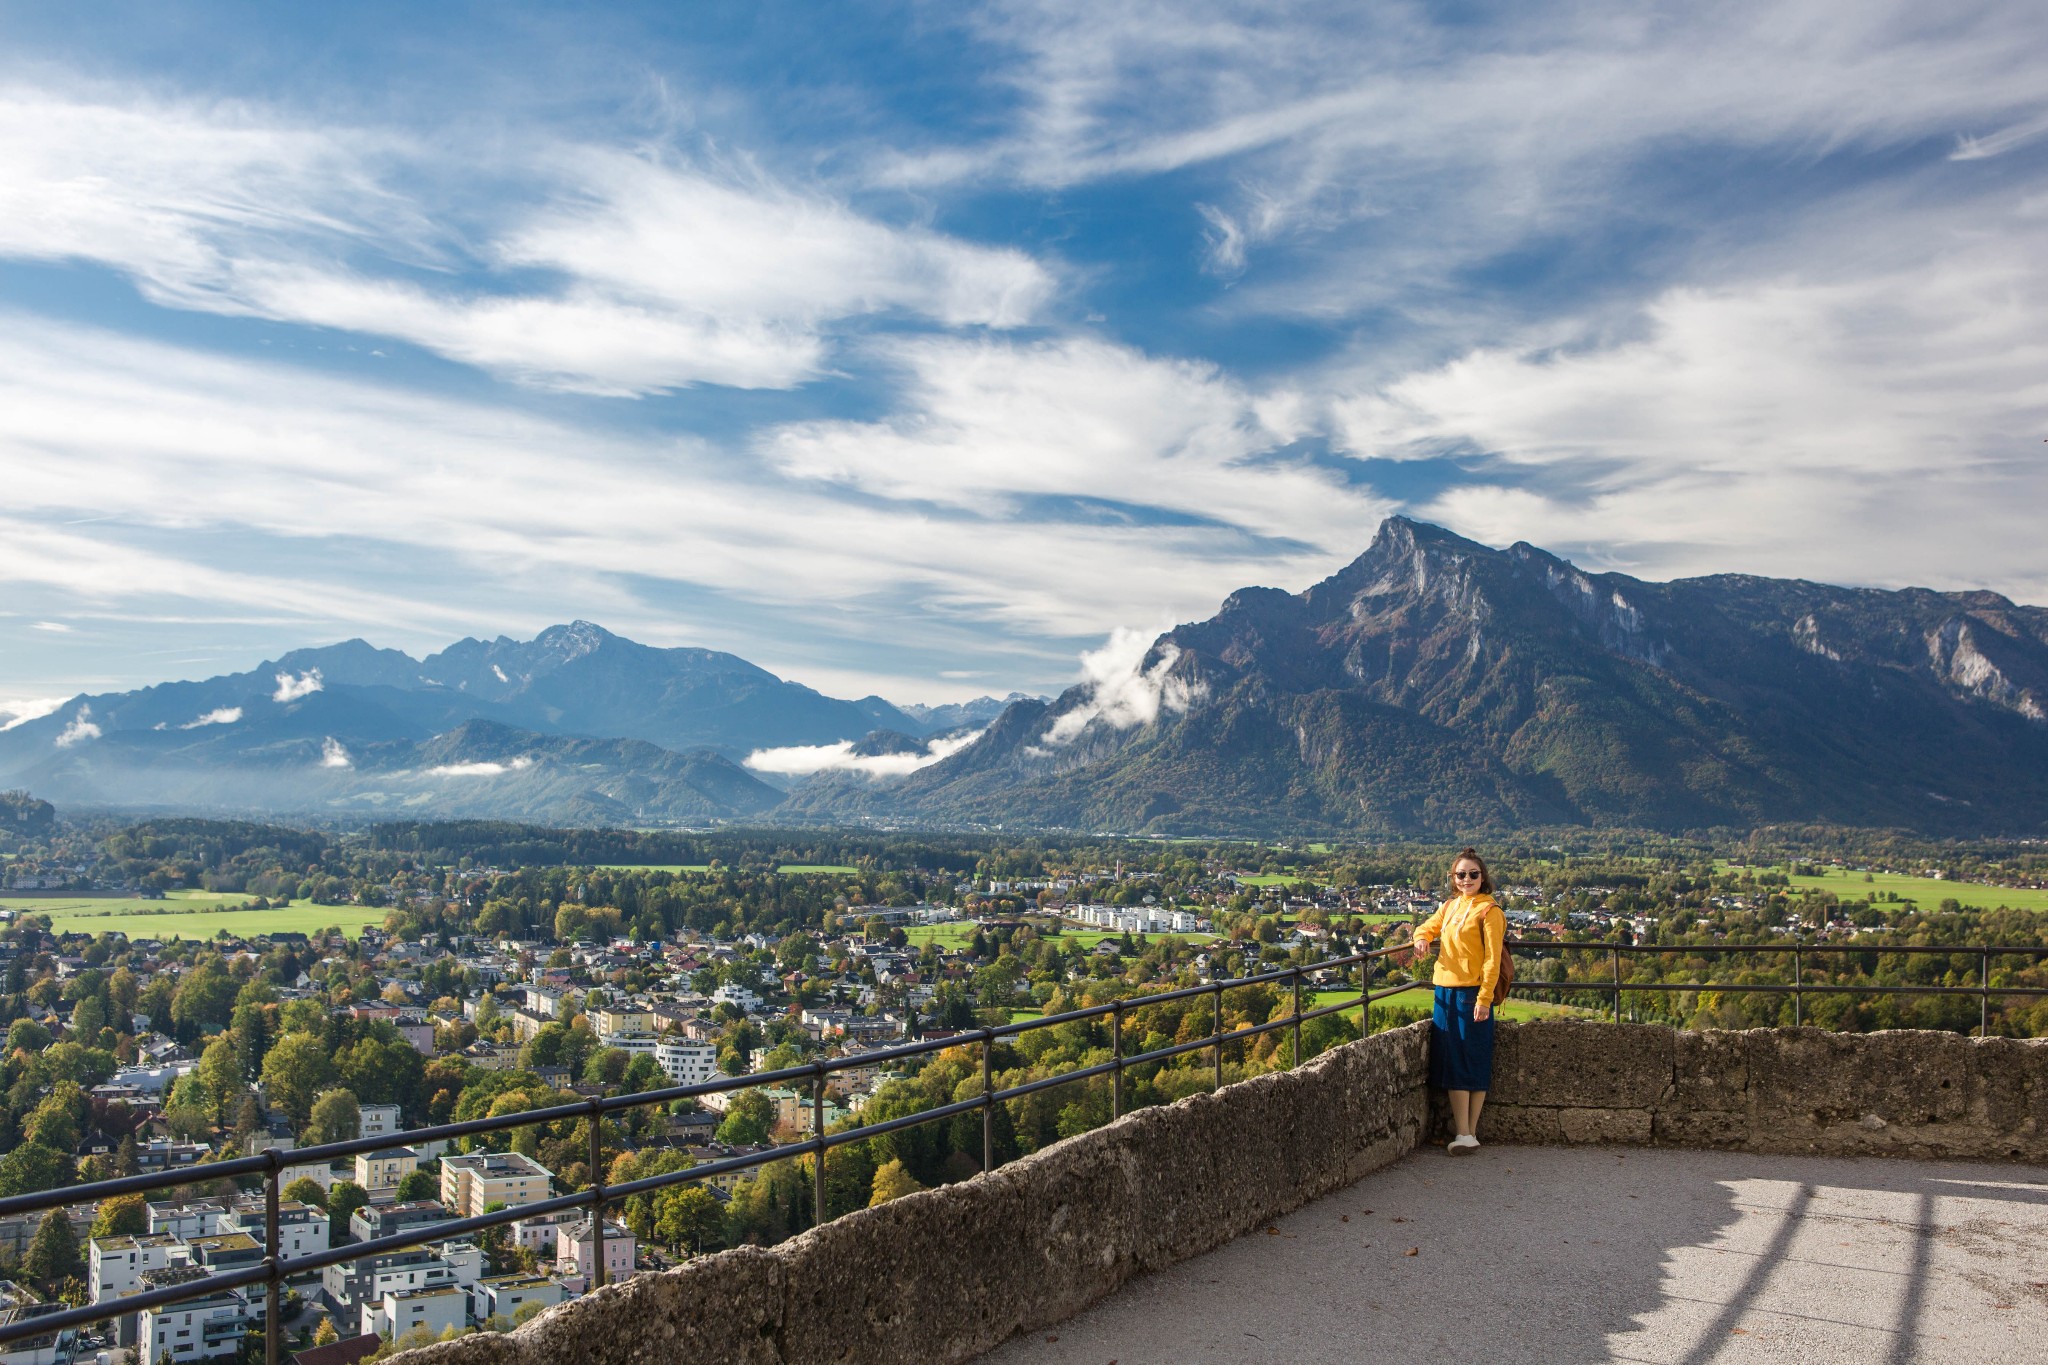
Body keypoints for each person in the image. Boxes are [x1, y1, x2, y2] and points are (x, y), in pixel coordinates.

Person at [1408, 847, 1506, 1154]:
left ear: (1483, 877)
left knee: (1466, 1060)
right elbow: (1428, 926)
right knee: (1461, 1059)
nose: (1466, 879)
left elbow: (1492, 960)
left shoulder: (1490, 912)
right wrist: (1421, 937)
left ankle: (1465, 1132)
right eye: (1460, 874)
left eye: (1473, 874)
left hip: (1471, 993)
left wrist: (1485, 998)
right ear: (1453, 878)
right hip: (1445, 992)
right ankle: (1468, 1134)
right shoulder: (1449, 906)